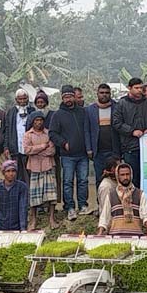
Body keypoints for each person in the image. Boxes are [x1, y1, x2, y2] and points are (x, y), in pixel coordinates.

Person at [50, 85, 91, 221]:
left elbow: (88, 130)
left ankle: (83, 205)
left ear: (74, 96)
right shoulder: (58, 115)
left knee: (83, 180)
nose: (68, 99)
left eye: (70, 96)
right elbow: (52, 133)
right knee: (67, 181)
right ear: (62, 98)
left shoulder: (82, 112)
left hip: (83, 154)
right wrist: (63, 143)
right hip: (67, 155)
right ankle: (70, 207)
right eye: (65, 97)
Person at [112, 77, 147, 188]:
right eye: (136, 88)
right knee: (132, 177)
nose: (139, 90)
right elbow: (116, 123)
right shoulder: (122, 104)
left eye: (141, 88)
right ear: (129, 88)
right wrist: (132, 131)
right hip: (130, 147)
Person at [97, 163, 147, 236]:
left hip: (136, 238)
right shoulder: (111, 195)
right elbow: (104, 217)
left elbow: (146, 215)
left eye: (127, 174)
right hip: (115, 238)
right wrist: (100, 233)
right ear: (118, 176)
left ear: (131, 175)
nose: (125, 177)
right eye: (122, 175)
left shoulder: (140, 194)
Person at [24, 111, 57, 230]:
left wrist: (36, 151)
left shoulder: (49, 133)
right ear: (32, 122)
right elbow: (27, 150)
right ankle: (33, 220)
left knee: (51, 194)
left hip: (48, 165)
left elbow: (52, 151)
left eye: (41, 120)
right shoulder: (28, 134)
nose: (39, 122)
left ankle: (51, 218)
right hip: (34, 167)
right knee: (34, 195)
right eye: (36, 120)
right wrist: (42, 147)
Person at [29, 89, 61, 204]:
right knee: (37, 181)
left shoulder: (53, 114)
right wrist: (39, 149)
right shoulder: (32, 115)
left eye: (42, 102)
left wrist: (47, 149)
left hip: (51, 152)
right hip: (35, 156)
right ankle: (39, 205)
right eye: (38, 102)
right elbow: (28, 135)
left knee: (52, 180)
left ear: (46, 102)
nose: (40, 104)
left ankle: (52, 203)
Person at [87, 84, 121, 191]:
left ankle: (115, 204)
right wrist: (89, 148)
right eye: (102, 93)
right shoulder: (90, 110)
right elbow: (86, 130)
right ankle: (101, 204)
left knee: (115, 177)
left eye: (107, 93)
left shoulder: (117, 107)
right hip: (98, 152)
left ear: (110, 94)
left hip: (113, 150)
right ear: (97, 94)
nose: (104, 95)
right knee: (99, 178)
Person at [5, 89, 34, 184]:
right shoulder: (11, 112)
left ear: (27, 98)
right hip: (15, 148)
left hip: (29, 149)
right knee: (16, 173)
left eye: (24, 98)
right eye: (20, 99)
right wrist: (6, 147)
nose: (22, 101)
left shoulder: (32, 111)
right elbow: (7, 130)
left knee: (29, 173)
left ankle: (29, 195)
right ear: (16, 99)